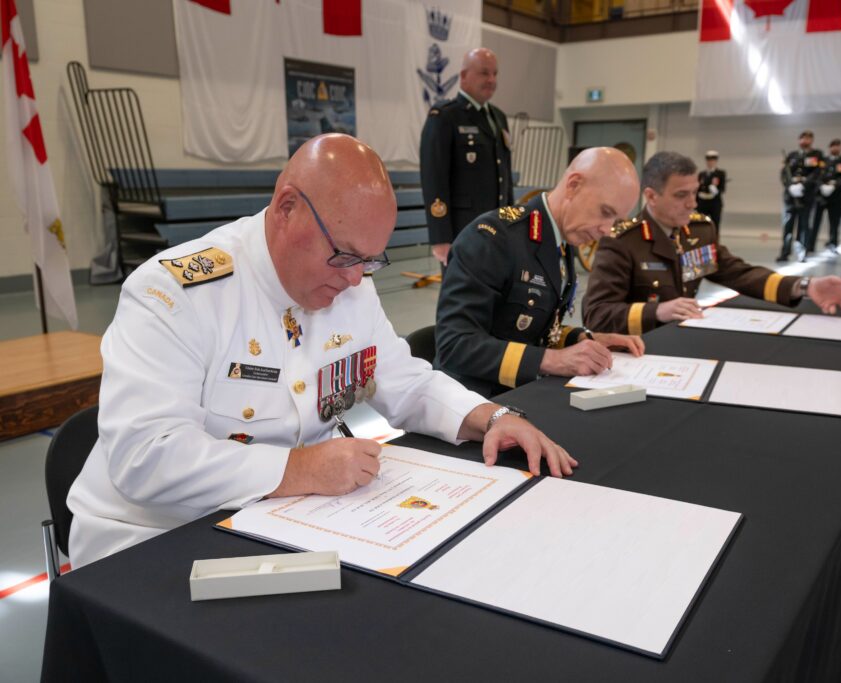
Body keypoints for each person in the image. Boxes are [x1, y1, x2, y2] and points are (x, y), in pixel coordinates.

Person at [67, 135, 575, 568]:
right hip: (153, 539)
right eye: (345, 255)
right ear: (286, 209)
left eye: (370, 260)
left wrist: (491, 416)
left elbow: (404, 379)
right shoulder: (177, 293)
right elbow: (146, 455)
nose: (356, 277)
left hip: (283, 519)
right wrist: (297, 468)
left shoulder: (347, 282)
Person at [434, 147, 644, 397]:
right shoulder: (493, 238)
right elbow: (455, 344)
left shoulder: (560, 240)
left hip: (521, 391)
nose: (607, 230)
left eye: (616, 220)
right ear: (574, 185)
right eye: (606, 213)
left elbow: (530, 329)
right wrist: (555, 360)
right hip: (473, 400)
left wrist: (584, 338)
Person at [582, 152, 841, 335]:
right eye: (681, 195)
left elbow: (738, 273)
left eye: (694, 193)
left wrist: (805, 286)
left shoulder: (698, 232)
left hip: (683, 343)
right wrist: (660, 311)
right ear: (651, 196)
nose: (692, 203)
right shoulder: (622, 241)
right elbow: (596, 315)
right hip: (635, 352)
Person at [419, 48, 514, 270]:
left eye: (494, 74)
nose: (491, 80)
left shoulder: (498, 118)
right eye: (484, 73)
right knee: (462, 300)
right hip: (463, 233)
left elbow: (505, 178)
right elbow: (434, 179)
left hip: (498, 230)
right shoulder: (445, 116)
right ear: (463, 76)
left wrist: (511, 224)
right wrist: (441, 237)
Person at [778, 130, 824, 262]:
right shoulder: (792, 155)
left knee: (804, 226)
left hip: (806, 196)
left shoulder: (817, 155)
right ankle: (785, 252)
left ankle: (802, 252)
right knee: (788, 226)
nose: (805, 141)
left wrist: (803, 186)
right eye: (803, 138)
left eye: (808, 138)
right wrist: (790, 187)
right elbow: (784, 174)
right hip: (790, 197)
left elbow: (817, 173)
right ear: (799, 140)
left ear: (812, 140)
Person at [808, 138, 841, 253]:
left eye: (838, 146)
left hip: (837, 197)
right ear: (830, 148)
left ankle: (833, 243)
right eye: (833, 146)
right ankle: (810, 245)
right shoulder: (822, 161)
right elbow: (815, 174)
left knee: (834, 223)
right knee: (816, 222)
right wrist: (821, 185)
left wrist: (835, 185)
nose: (835, 148)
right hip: (821, 196)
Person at [696, 150, 727, 230]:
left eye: (712, 160)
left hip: (714, 202)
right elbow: (698, 189)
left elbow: (722, 189)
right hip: (702, 202)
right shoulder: (702, 174)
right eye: (708, 160)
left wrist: (715, 190)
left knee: (715, 225)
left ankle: (714, 242)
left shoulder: (720, 173)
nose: (710, 162)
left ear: (716, 161)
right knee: (700, 224)